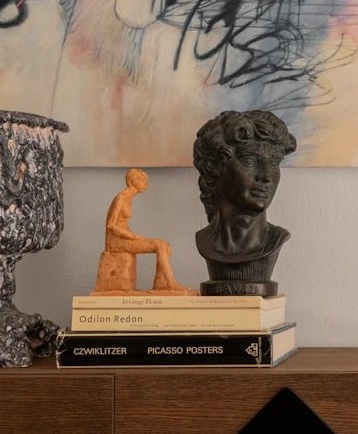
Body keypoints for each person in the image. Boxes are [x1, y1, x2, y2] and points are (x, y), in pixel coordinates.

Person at [193, 111, 296, 296]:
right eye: (250, 161)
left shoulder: (275, 240)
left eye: (273, 163)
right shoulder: (204, 241)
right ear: (215, 166)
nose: (266, 176)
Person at [94, 168, 187, 293]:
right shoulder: (120, 198)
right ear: (133, 181)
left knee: (166, 246)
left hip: (124, 238)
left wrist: (133, 236)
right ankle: (171, 283)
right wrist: (135, 237)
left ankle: (160, 284)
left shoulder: (128, 199)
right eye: (142, 180)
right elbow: (111, 225)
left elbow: (123, 225)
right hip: (115, 242)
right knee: (159, 244)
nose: (146, 183)